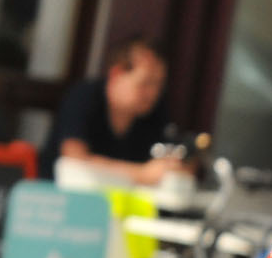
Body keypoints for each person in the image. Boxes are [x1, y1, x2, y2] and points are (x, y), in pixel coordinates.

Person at [44, 37, 182, 184]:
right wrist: (142, 173)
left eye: (159, 85)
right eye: (146, 83)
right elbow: (73, 159)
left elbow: (172, 158)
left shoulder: (157, 112)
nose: (153, 93)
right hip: (59, 198)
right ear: (116, 74)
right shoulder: (84, 97)